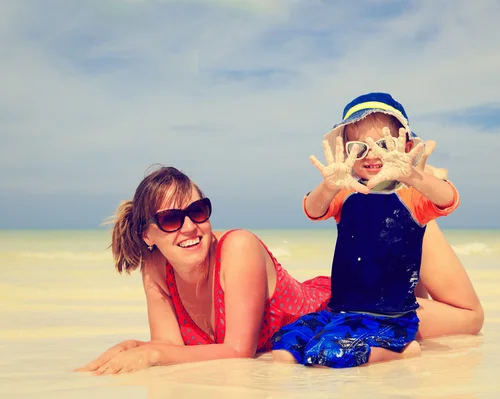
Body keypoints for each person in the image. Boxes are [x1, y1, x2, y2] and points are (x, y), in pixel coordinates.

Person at [271, 92, 465, 368]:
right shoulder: (346, 191)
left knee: (329, 354)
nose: (371, 154)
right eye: (358, 148)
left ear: (406, 146)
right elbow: (313, 210)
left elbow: (448, 199)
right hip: (340, 312)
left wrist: (411, 175)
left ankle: (403, 350)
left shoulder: (411, 195)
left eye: (383, 145)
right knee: (285, 347)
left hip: (391, 317)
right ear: (345, 150)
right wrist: (329, 186)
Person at [76, 166, 331, 375]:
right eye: (170, 219)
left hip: (335, 311)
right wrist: (134, 346)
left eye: (197, 212)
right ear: (147, 235)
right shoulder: (155, 266)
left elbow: (239, 351)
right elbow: (171, 347)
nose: (189, 227)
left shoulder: (239, 247)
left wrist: (152, 353)